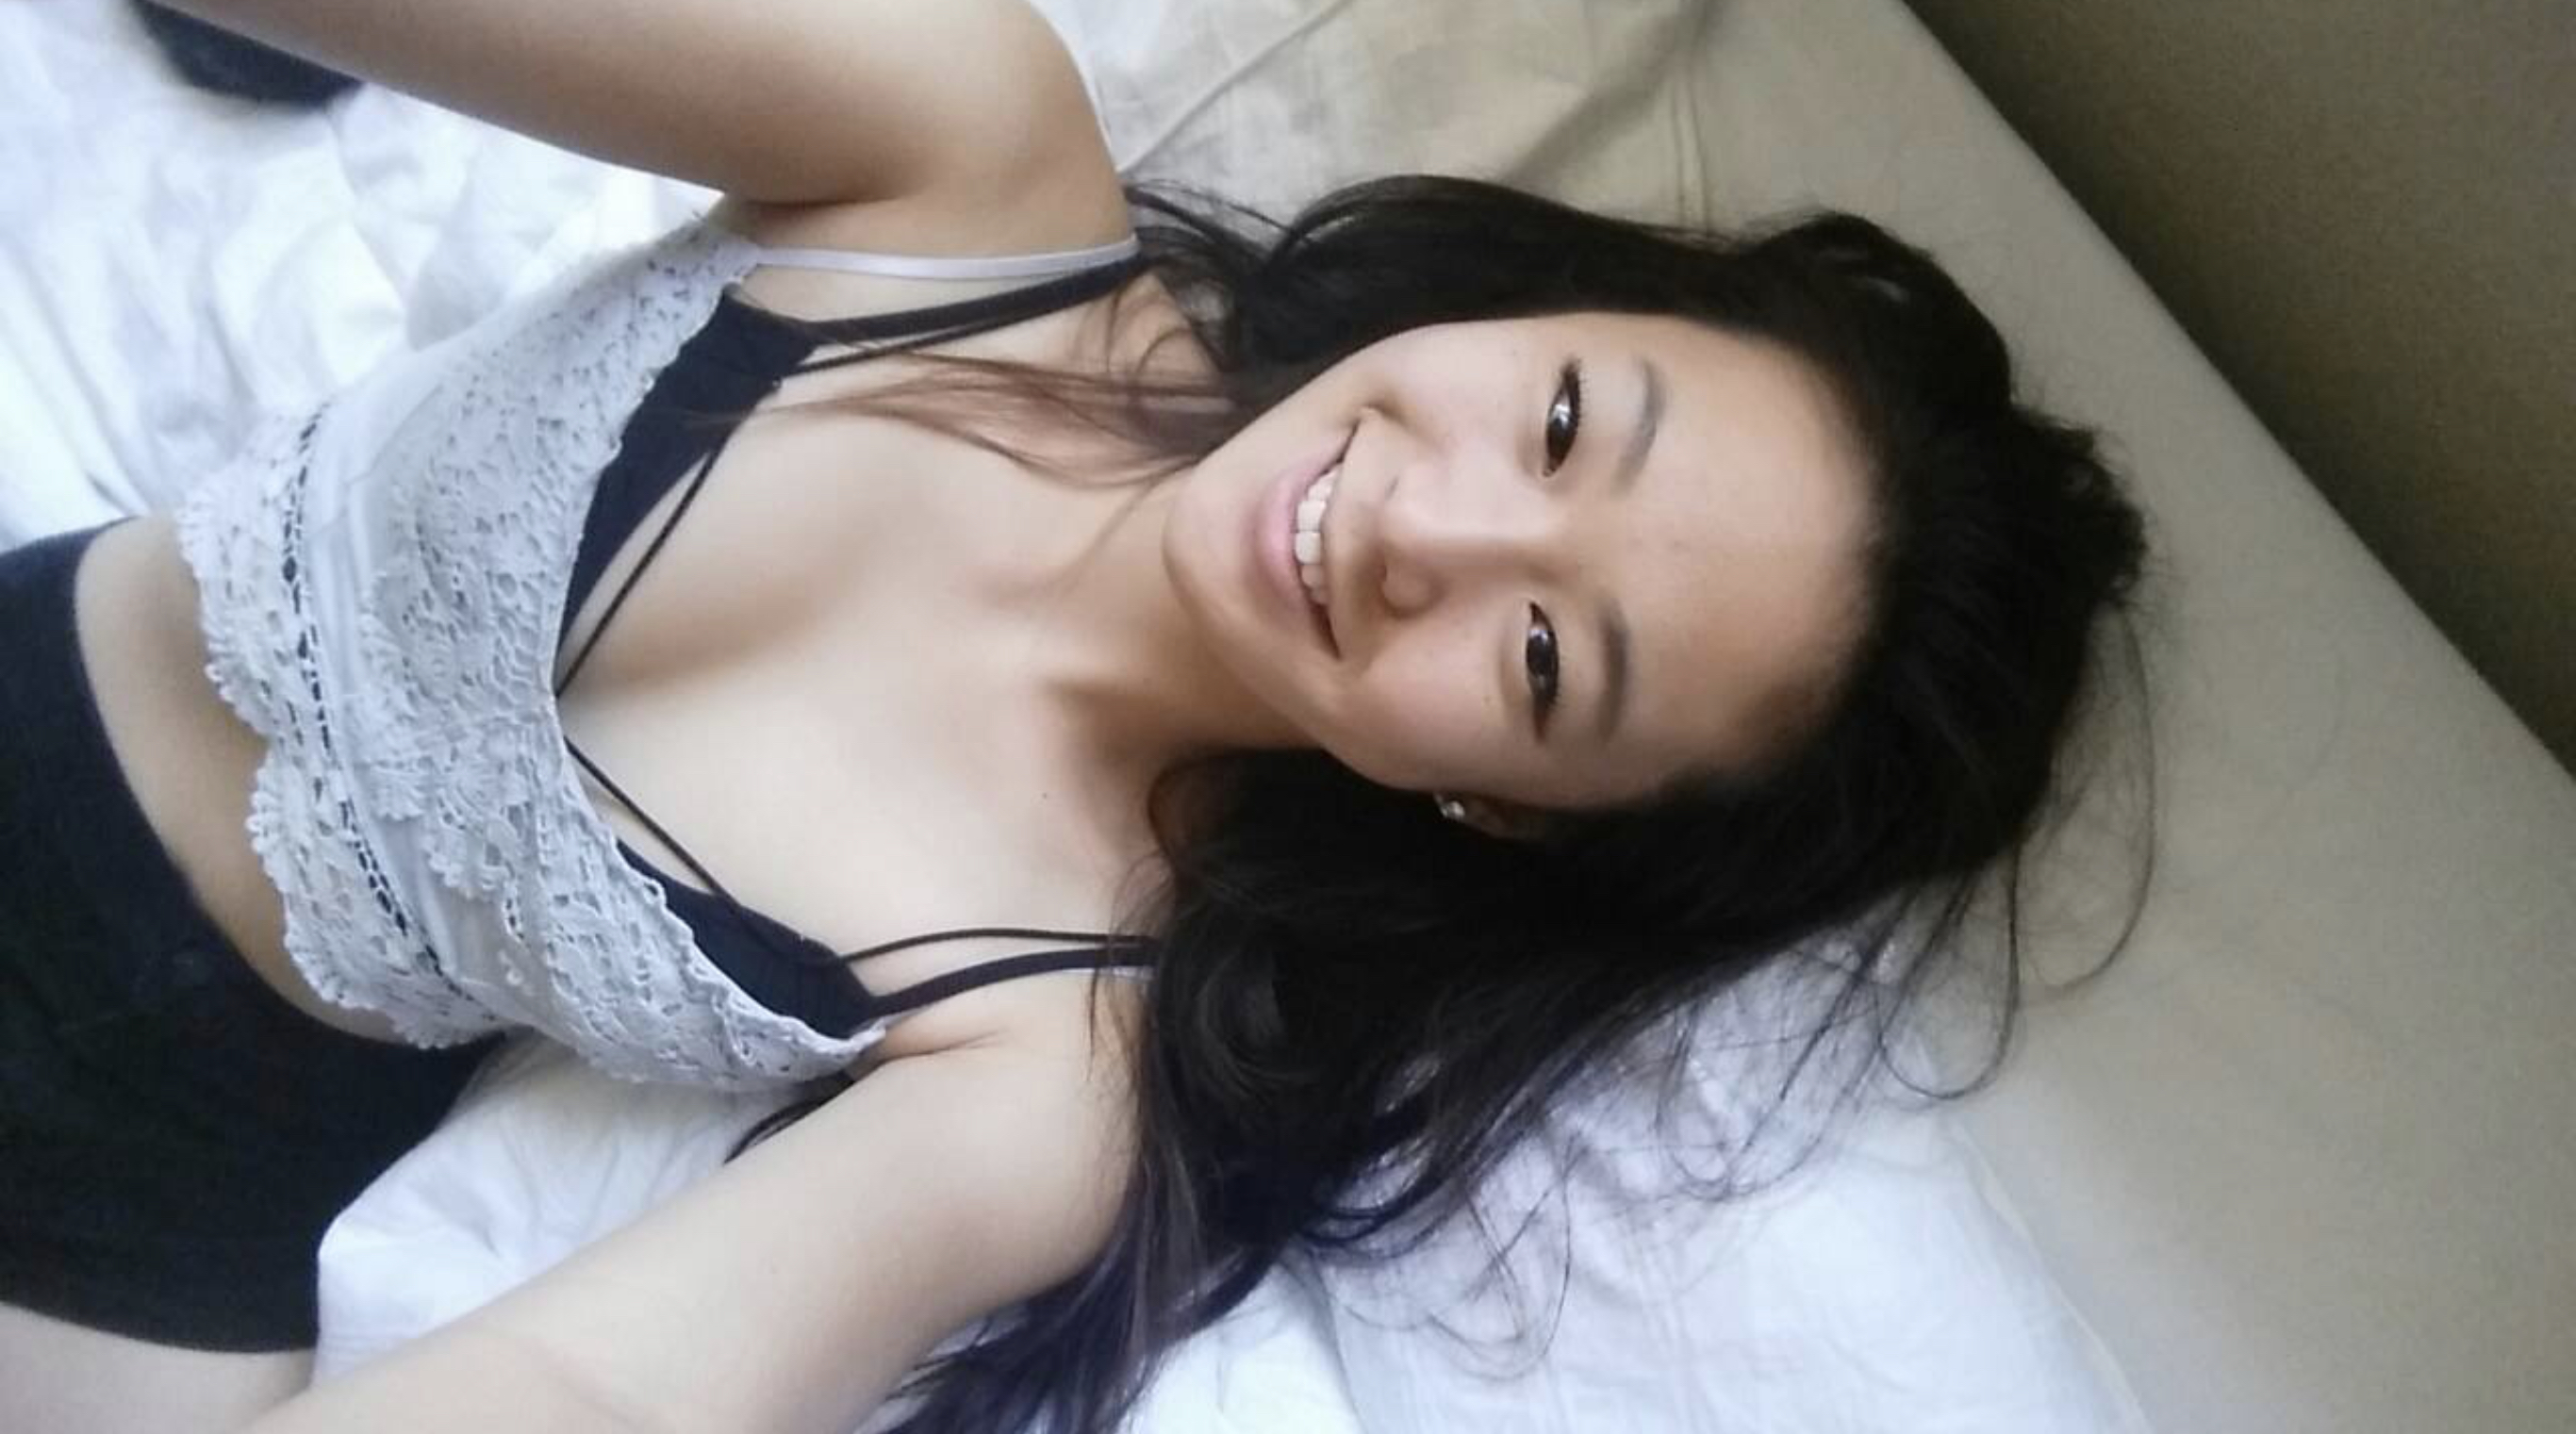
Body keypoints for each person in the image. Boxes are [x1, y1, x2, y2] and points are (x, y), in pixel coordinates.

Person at [0, 1, 2157, 1431]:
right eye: (1566, 418)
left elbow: (603, 1389)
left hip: (148, 1184)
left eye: (1540, 659)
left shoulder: (1065, 1063)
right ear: (1545, 305)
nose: (1427, 525)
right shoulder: (966, 160)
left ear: (1509, 808)